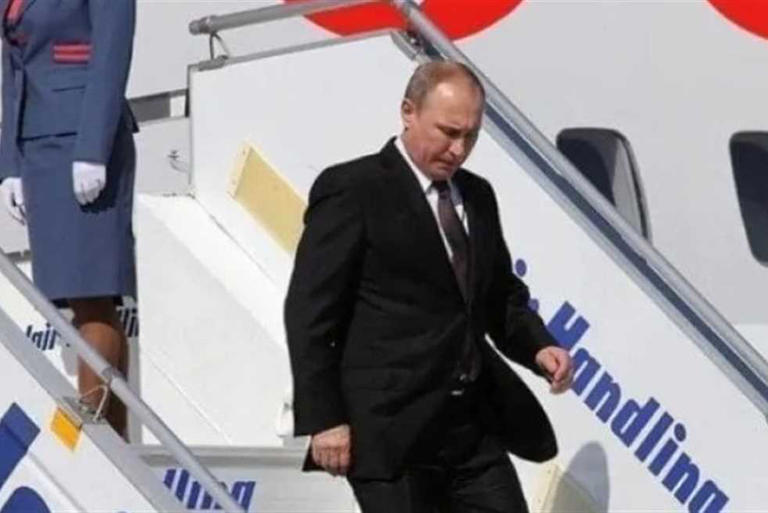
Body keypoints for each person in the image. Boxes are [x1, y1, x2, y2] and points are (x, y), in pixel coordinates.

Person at [284, 61, 574, 512]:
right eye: (449, 132)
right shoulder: (353, 189)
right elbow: (309, 312)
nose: (458, 150)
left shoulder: (477, 196)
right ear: (408, 112)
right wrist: (325, 419)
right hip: (390, 431)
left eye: (471, 137)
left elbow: (497, 295)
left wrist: (538, 346)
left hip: (471, 429)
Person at [0, 0, 138, 437]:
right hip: (38, 144)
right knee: (74, 298)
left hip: (82, 139)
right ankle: (111, 441)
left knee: (92, 292)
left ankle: (94, 435)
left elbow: (111, 54)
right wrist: (9, 164)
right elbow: (12, 69)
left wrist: (93, 147)